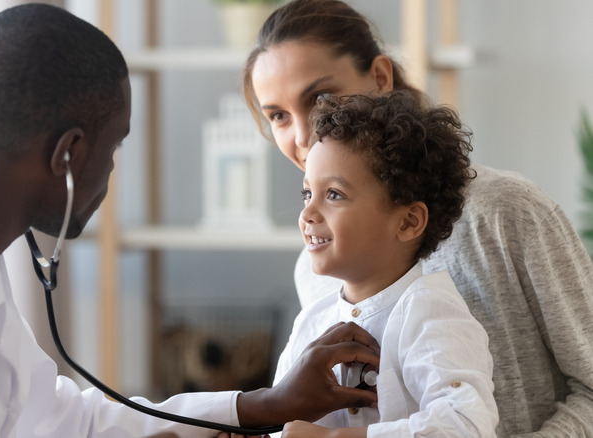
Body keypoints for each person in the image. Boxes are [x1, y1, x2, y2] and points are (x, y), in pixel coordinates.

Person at [0, 4, 382, 437]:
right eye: (113, 150)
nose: (109, 177)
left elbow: (70, 421)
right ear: (68, 156)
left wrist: (269, 404)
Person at [241, 0, 593, 436]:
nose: (302, 135)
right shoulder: (317, 270)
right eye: (277, 115)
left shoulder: (506, 212)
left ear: (381, 78)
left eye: (321, 97)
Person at [291, 91, 496, 436]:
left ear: (407, 222)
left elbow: (467, 426)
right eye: (307, 193)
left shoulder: (431, 313)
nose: (308, 213)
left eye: (334, 195)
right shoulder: (312, 322)